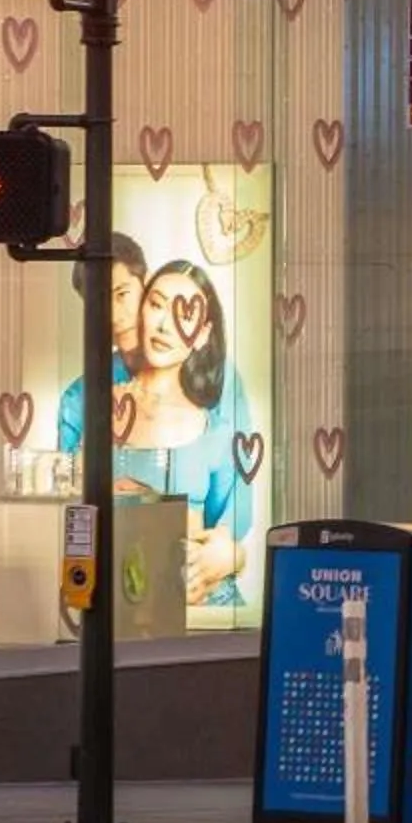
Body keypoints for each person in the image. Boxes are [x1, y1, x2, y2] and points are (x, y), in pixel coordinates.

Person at [114, 260, 253, 610]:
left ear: (203, 334)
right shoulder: (96, 406)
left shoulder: (216, 429)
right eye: (157, 304)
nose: (165, 325)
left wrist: (227, 555)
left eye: (185, 315)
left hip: (208, 616)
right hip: (122, 608)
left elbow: (234, 518)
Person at [53, 232, 150, 453]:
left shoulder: (207, 379)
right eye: (99, 302)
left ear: (147, 282)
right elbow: (70, 483)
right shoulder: (78, 399)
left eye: (122, 294)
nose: (114, 315)